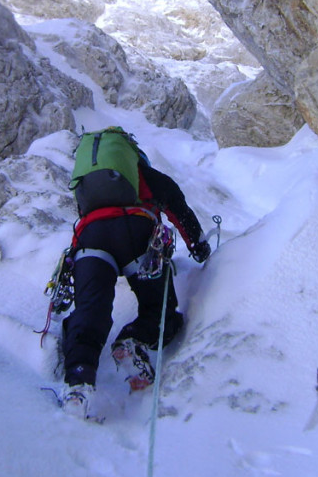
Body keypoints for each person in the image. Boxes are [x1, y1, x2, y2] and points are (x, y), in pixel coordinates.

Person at [60, 129, 210, 418]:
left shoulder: (89, 185)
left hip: (90, 238)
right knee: (161, 310)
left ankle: (78, 382)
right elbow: (179, 210)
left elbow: (86, 216)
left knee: (91, 310)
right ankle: (133, 341)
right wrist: (199, 248)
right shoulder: (146, 177)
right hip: (136, 235)